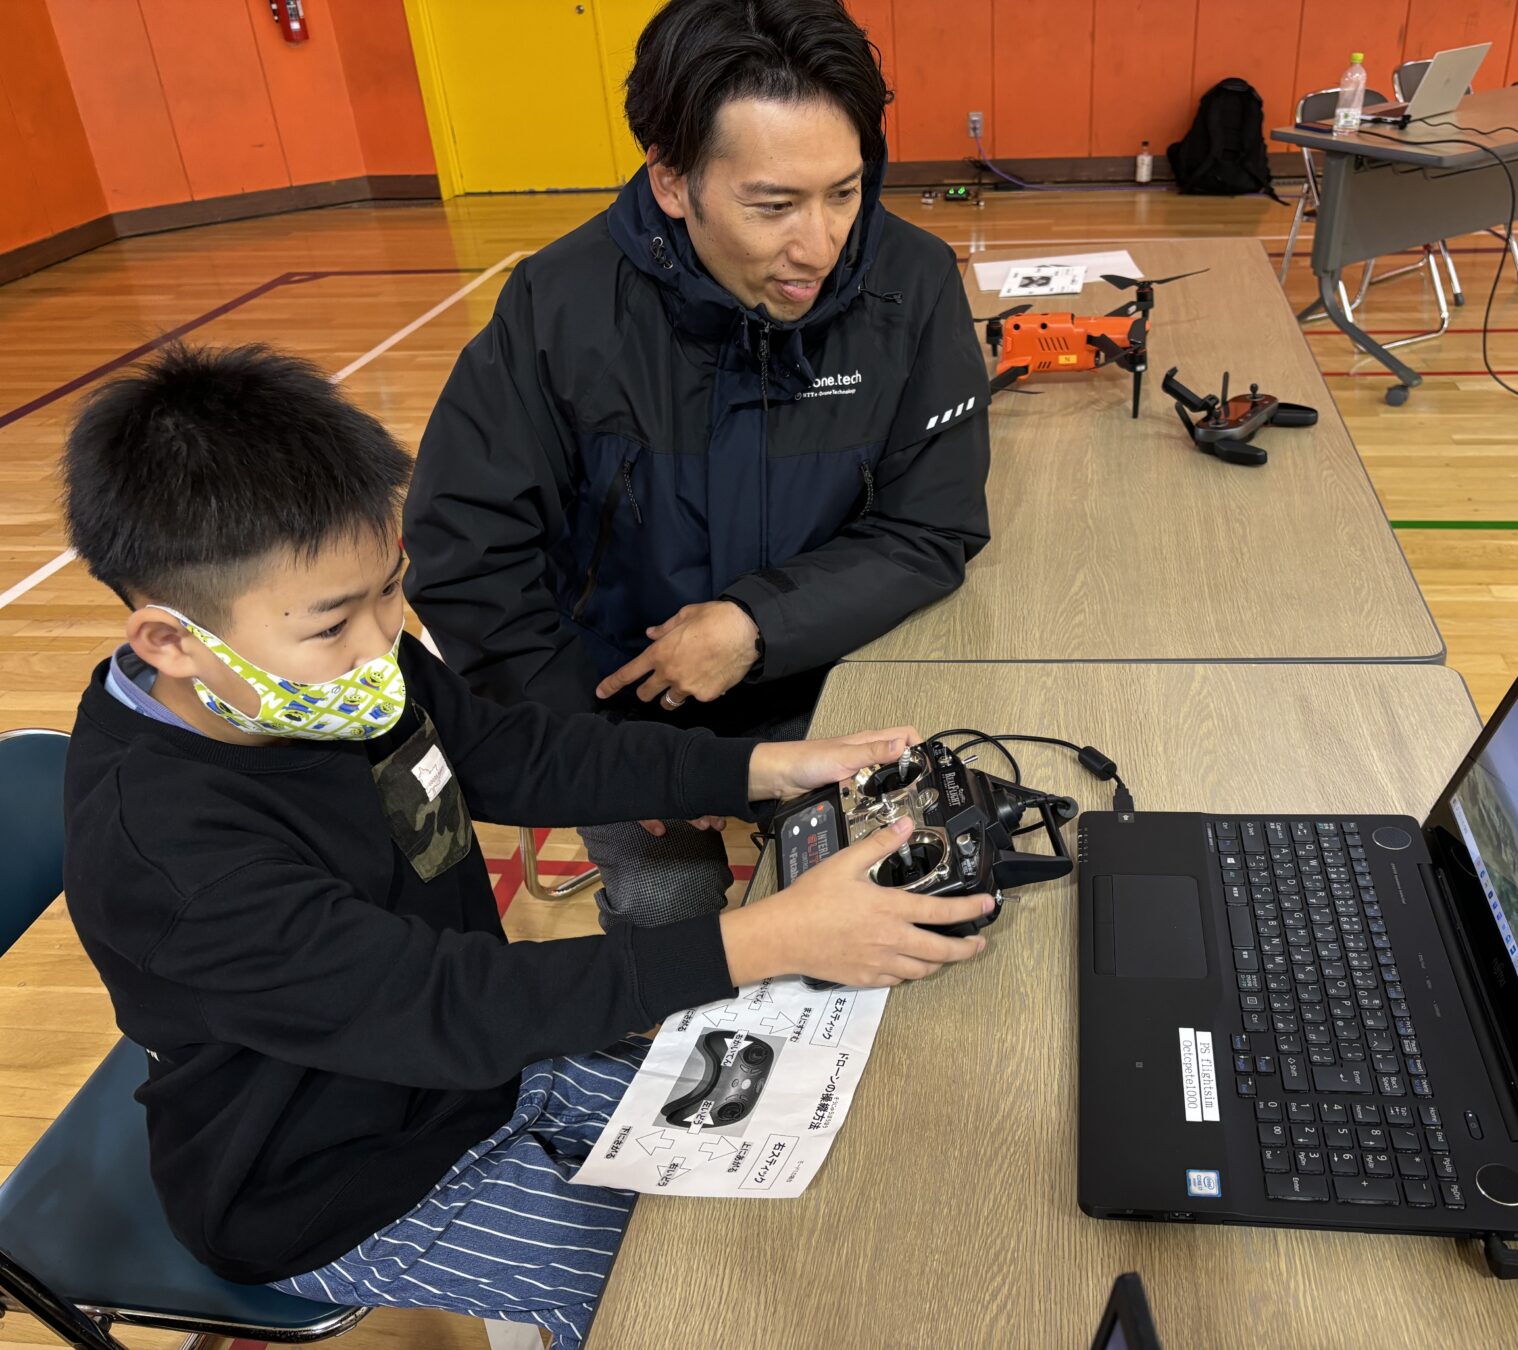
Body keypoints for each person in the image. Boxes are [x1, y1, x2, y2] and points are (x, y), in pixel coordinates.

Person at [57, 344, 992, 1348]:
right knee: (692, 1309)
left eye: (390, 589)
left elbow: (508, 753)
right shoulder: (164, 853)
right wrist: (776, 937)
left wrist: (758, 768)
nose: (386, 643)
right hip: (330, 1176)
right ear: (170, 643)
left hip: (483, 1068)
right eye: (335, 623)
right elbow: (442, 1003)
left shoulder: (334, 675)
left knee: (804, 1179)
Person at [403, 0, 991, 932]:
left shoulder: (911, 285)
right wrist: (593, 750)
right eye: (773, 206)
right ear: (673, 182)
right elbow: (467, 552)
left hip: (835, 679)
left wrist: (760, 622)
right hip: (611, 713)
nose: (821, 246)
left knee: (909, 909)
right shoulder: (558, 308)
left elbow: (933, 528)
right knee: (670, 923)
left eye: (845, 191)